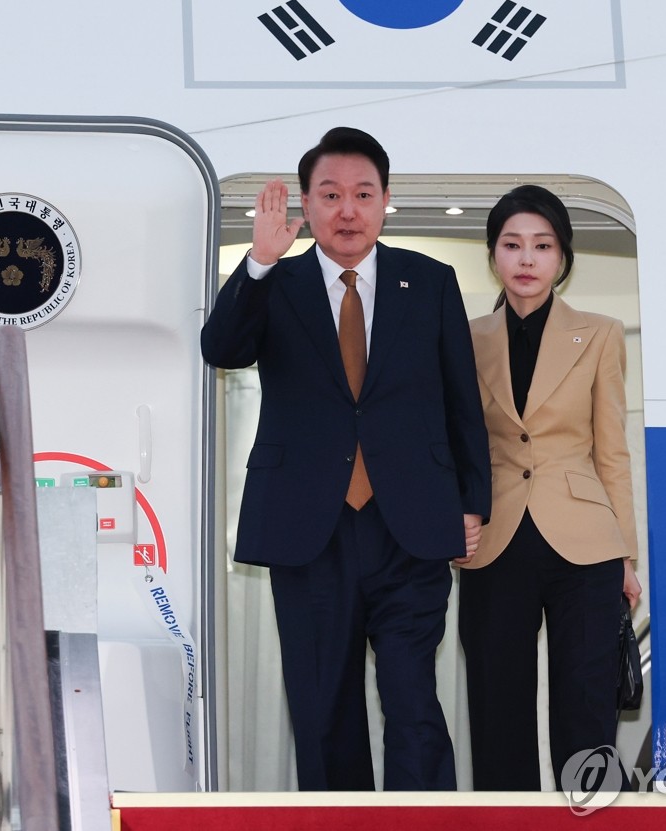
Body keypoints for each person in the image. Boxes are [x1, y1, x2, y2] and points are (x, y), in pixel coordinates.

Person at [201, 126, 491, 792]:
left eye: (363, 193)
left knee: (414, 704)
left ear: (386, 199)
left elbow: (461, 402)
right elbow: (222, 348)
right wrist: (258, 264)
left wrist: (473, 502)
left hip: (411, 527)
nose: (348, 210)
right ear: (306, 202)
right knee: (323, 709)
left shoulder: (432, 281)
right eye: (330, 195)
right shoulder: (277, 280)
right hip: (309, 529)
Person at [457, 184, 642, 791]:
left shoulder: (602, 332)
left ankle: (586, 818)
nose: (527, 258)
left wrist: (626, 556)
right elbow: (458, 443)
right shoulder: (465, 337)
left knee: (586, 702)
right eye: (512, 245)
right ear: (494, 256)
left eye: (542, 245)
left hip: (585, 543)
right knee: (495, 701)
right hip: (493, 538)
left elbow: (612, 448)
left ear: (562, 257)